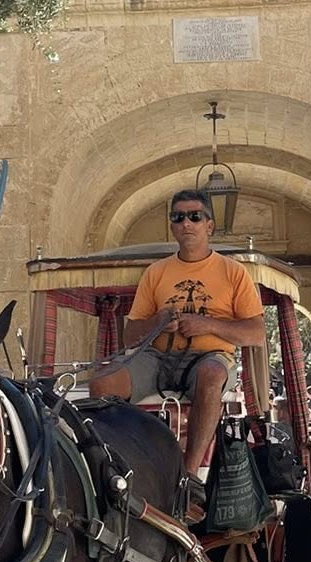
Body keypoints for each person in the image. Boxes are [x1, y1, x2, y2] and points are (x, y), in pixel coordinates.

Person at [88, 189, 265, 515]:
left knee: (211, 375)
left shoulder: (233, 272)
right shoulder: (156, 273)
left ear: (209, 225)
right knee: (102, 382)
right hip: (157, 358)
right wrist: (157, 322)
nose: (186, 223)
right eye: (178, 217)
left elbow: (255, 333)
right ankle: (115, 465)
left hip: (209, 357)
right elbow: (131, 333)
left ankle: (189, 477)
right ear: (172, 226)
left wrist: (206, 324)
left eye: (194, 216)